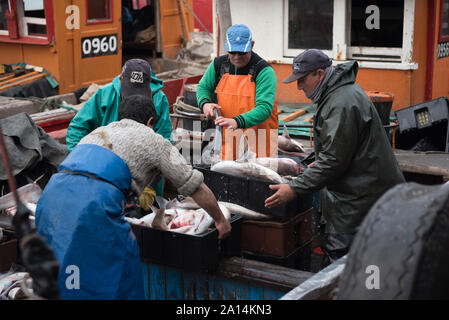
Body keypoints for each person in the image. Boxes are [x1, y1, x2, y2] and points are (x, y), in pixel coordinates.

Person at [35, 95, 232, 300]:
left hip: (51, 198)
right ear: (150, 122)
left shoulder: (98, 132)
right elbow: (195, 186)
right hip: (94, 205)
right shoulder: (155, 140)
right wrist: (220, 220)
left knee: (65, 272)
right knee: (121, 274)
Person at [264, 49, 405, 266]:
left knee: (342, 263)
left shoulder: (341, 103)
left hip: (359, 201)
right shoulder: (338, 93)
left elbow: (334, 162)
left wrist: (294, 188)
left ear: (319, 74)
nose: (300, 87)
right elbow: (340, 150)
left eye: (302, 80)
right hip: (364, 192)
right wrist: (319, 159)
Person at [66, 59, 171, 207]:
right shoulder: (104, 95)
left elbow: (165, 145)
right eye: (130, 91)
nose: (134, 97)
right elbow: (77, 128)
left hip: (144, 177)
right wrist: (82, 161)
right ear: (121, 79)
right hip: (104, 172)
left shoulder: (159, 100)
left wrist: (151, 185)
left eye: (140, 92)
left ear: (148, 85)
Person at [196, 24, 278, 160]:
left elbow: (264, 108)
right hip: (229, 140)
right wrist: (205, 105)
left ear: (252, 45)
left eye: (242, 52)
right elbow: (203, 87)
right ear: (226, 46)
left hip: (260, 143)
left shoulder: (264, 71)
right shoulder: (218, 65)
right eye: (232, 52)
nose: (236, 57)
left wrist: (236, 121)